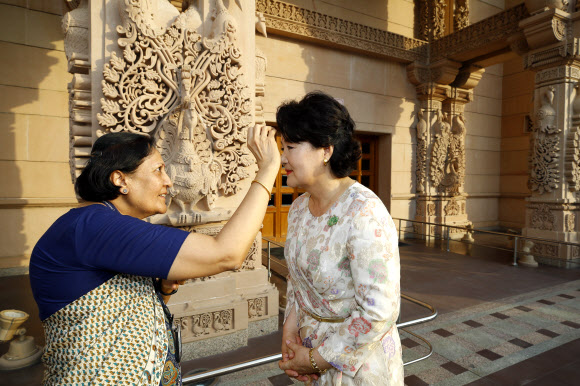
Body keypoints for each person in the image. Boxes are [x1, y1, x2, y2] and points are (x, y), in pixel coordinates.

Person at [29, 125, 279, 386]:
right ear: (120, 180)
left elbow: (115, 316)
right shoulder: (93, 226)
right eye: (158, 169)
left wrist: (162, 289)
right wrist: (268, 169)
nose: (169, 181)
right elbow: (227, 254)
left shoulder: (105, 225)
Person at [276, 92, 403, 385]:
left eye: (291, 147)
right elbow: (296, 281)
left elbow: (379, 310)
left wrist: (314, 360)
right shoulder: (297, 209)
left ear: (325, 151)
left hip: (359, 365)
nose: (283, 158)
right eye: (282, 147)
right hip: (309, 351)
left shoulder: (363, 211)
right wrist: (290, 332)